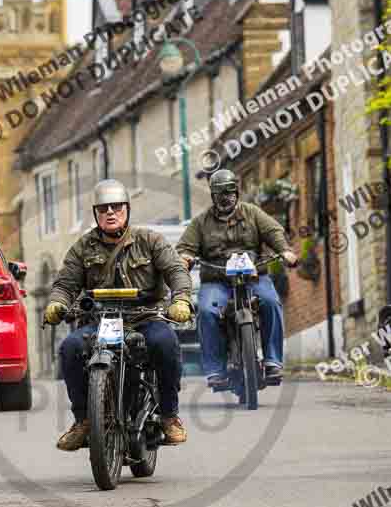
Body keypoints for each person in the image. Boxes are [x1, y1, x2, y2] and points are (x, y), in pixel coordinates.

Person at [44, 179, 193, 451]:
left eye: (116, 207)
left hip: (144, 318)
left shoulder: (150, 240)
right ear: (95, 214)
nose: (110, 212)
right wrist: (56, 303)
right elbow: (65, 284)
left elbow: (176, 271)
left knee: (166, 343)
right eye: (103, 208)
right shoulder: (83, 247)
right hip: (99, 322)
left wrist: (181, 299)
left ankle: (170, 416)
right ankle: (83, 421)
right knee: (70, 347)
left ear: (127, 209)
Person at [176, 169, 297, 389]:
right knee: (206, 311)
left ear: (237, 192)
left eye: (230, 191)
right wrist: (185, 257)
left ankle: (273, 361)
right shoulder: (201, 222)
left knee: (271, 302)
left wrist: (285, 251)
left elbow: (273, 232)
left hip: (254, 278)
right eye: (220, 193)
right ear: (213, 195)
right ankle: (215, 370)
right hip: (217, 280)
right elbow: (185, 246)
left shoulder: (252, 213)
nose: (226, 197)